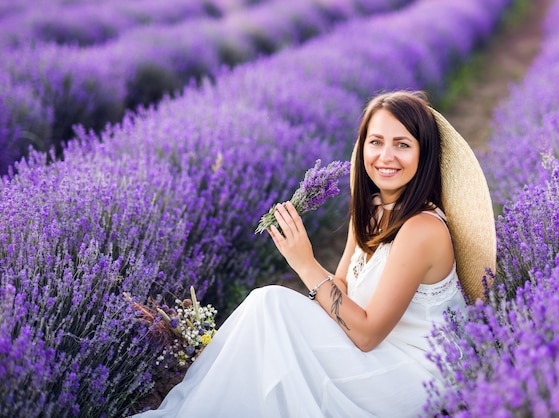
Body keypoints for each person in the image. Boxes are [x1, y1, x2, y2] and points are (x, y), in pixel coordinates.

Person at [132, 90, 496, 417]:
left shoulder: (422, 229)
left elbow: (367, 334)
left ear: (424, 153)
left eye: (402, 144)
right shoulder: (372, 208)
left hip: (417, 375)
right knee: (269, 310)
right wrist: (298, 305)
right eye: (376, 142)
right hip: (375, 353)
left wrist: (304, 263)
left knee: (272, 307)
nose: (386, 156)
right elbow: (341, 285)